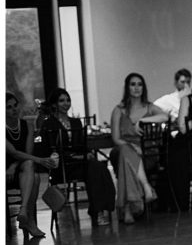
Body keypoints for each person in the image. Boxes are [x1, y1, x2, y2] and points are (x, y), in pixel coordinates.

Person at [37, 88, 116, 226]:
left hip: (79, 163)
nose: (66, 103)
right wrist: (76, 156)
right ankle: (98, 212)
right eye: (62, 101)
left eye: (68, 100)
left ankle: (99, 209)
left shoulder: (76, 122)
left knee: (99, 167)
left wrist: (86, 153)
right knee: (95, 169)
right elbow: (49, 149)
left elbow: (81, 145)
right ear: (54, 104)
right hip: (62, 166)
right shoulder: (49, 124)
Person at [110, 73, 169, 224]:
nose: (136, 88)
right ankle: (146, 186)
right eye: (133, 84)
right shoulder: (118, 110)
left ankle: (127, 209)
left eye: (139, 84)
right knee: (125, 153)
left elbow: (165, 117)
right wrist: (132, 146)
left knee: (125, 158)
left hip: (147, 152)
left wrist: (142, 120)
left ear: (144, 87)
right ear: (127, 87)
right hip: (125, 148)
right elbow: (116, 139)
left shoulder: (150, 107)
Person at [6, 92, 58, 238]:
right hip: (6, 171)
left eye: (15, 105)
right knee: (34, 177)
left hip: (21, 167)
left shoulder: (27, 125)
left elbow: (27, 153)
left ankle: (24, 212)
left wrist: (15, 165)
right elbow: (14, 152)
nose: (14, 109)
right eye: (8, 107)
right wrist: (40, 160)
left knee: (30, 167)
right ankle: (29, 221)